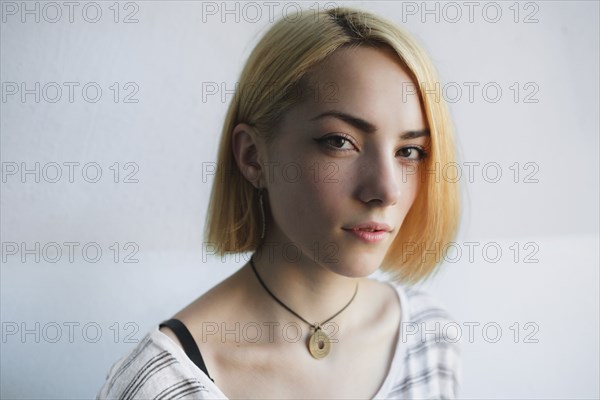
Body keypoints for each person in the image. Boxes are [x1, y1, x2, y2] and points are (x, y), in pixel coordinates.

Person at [97, 6, 461, 399]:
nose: (387, 190)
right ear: (253, 156)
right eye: (340, 142)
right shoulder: (162, 385)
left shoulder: (428, 337)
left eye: (409, 151)